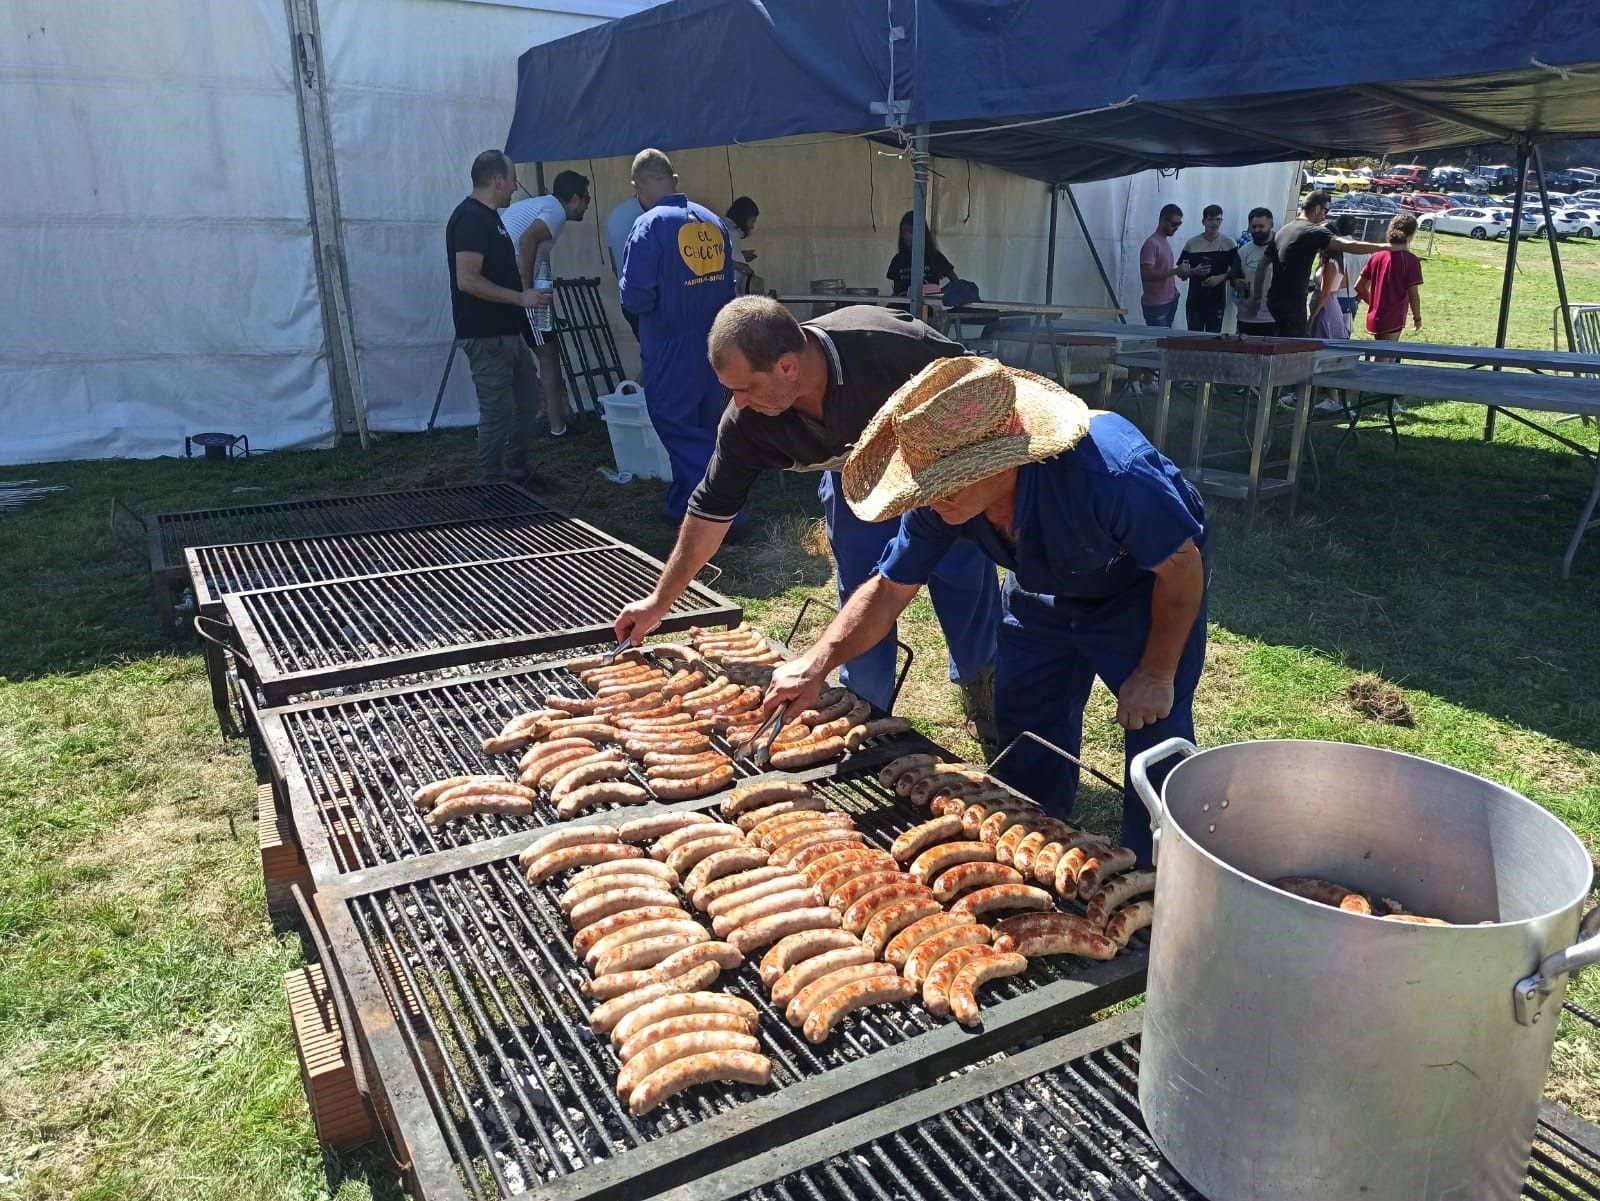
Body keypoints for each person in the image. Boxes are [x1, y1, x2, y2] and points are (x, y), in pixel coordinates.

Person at [761, 357, 1207, 865]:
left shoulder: (1114, 475)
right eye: (927, 484)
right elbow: (887, 590)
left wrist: (1156, 670)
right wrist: (817, 663)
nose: (933, 497)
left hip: (1141, 591)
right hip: (1041, 588)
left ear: (1003, 460)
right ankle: (1035, 845)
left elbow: (1181, 568)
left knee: (1154, 731)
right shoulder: (940, 502)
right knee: (1027, 720)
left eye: (949, 482)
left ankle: (1157, 875)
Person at [614, 296, 1004, 738]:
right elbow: (710, 512)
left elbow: (982, 388)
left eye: (744, 388)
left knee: (962, 573)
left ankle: (981, 685)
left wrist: (976, 484)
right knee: (862, 585)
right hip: (855, 482)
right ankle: (862, 705)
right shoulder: (745, 423)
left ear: (786, 367)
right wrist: (659, 602)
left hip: (935, 469)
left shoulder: (891, 345)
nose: (737, 403)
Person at [619, 148, 738, 524]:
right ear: (674, 181)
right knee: (705, 424)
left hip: (671, 346)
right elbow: (728, 289)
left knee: (677, 426)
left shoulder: (649, 226)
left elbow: (635, 296)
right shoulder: (712, 222)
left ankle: (722, 510)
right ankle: (680, 505)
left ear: (637, 187)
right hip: (714, 344)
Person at [444, 150, 547, 483]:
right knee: (498, 409)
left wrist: (526, 331)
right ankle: (491, 480)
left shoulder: (491, 218)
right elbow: (467, 279)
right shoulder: (470, 219)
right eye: (513, 179)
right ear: (498, 180)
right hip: (485, 334)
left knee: (528, 399)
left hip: (507, 332)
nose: (516, 188)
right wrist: (520, 298)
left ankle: (515, 468)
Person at [500, 170, 591, 438]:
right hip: (514, 284)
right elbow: (528, 240)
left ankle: (550, 418)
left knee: (534, 354)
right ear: (574, 198)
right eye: (586, 199)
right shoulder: (556, 212)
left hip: (505, 280)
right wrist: (525, 292)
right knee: (548, 355)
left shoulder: (544, 205)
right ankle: (557, 426)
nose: (587, 206)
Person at [1250, 192, 1387, 337]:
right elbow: (1348, 245)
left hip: (1275, 301)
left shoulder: (1284, 230)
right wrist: (1386, 247)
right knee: (1294, 350)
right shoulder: (1313, 230)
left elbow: (1261, 266)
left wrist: (1257, 297)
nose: (1325, 216)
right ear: (1317, 208)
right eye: (1326, 211)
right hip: (1293, 304)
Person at [1356, 213, 1424, 342]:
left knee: (1379, 353)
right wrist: (1417, 318)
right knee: (1384, 357)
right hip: (1393, 318)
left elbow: (1359, 286)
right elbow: (1413, 294)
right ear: (1411, 235)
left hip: (1375, 316)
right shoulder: (1410, 260)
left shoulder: (1377, 255)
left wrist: (1375, 305)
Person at [1307, 222, 1353, 412]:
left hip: (1325, 309)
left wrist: (1312, 317)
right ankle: (1335, 397)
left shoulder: (1329, 263)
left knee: (1326, 352)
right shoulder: (1336, 261)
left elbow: (1325, 294)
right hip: (1331, 304)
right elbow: (1345, 282)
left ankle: (1334, 398)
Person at [1177, 205, 1242, 333]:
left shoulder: (1229, 243)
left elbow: (1237, 269)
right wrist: (1193, 272)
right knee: (1194, 337)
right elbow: (1180, 272)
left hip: (1217, 300)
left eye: (1218, 220)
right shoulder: (1192, 243)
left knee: (1213, 337)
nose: (1215, 223)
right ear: (1203, 221)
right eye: (1211, 219)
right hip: (1195, 299)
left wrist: (1221, 277)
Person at [1139, 204, 1191, 328]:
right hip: (1157, 304)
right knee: (1159, 340)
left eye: (1179, 224)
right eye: (1174, 224)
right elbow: (1147, 274)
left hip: (1169, 300)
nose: (1176, 228)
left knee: (1165, 338)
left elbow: (1164, 270)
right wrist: (1175, 271)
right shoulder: (1151, 244)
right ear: (1163, 220)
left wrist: (1178, 277)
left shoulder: (1164, 242)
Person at [887, 210, 958, 297]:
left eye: (911, 232)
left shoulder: (935, 257)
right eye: (904, 232)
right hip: (903, 308)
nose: (907, 236)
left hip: (929, 307)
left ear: (921, 233)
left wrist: (938, 293)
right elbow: (896, 290)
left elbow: (955, 281)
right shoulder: (897, 260)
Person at [605, 193, 645, 340]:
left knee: (649, 353)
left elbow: (614, 265)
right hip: (651, 301)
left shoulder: (615, 215)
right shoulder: (654, 214)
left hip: (628, 299)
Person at [1232, 207, 1277, 336]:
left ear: (1271, 225)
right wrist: (1236, 282)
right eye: (1254, 226)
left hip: (1272, 317)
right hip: (1246, 317)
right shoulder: (1243, 251)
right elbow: (1233, 277)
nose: (1257, 230)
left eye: (1261, 226)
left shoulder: (1281, 248)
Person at [726, 196, 761, 295]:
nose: (752, 226)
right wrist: (742, 266)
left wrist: (742, 256)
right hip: (730, 289)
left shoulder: (732, 231)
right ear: (745, 217)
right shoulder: (729, 231)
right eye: (753, 221)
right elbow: (719, 260)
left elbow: (729, 255)